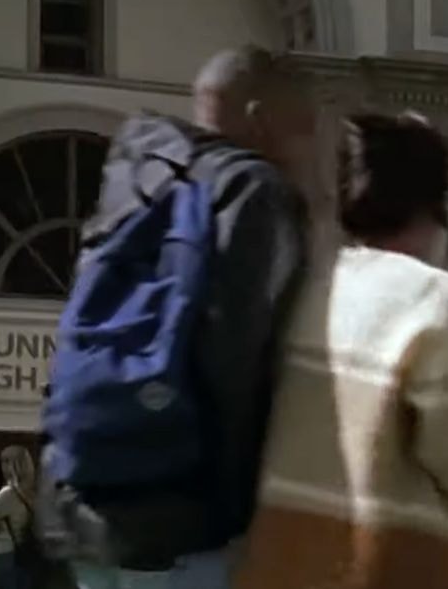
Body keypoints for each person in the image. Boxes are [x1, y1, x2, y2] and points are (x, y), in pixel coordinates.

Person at [42, 45, 310, 589]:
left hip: (89, 506)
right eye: (303, 126)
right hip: (187, 524)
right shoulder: (253, 188)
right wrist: (251, 517)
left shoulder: (137, 174)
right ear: (259, 117)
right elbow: (237, 364)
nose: (307, 146)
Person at [234, 113, 448, 589]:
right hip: (395, 565)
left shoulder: (307, 285)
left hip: (280, 561)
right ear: (434, 205)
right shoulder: (439, 300)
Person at [0, 447, 35, 589]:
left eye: (5, 461)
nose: (2, 467)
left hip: (3, 553)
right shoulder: (32, 492)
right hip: (26, 555)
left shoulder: (7, 494)